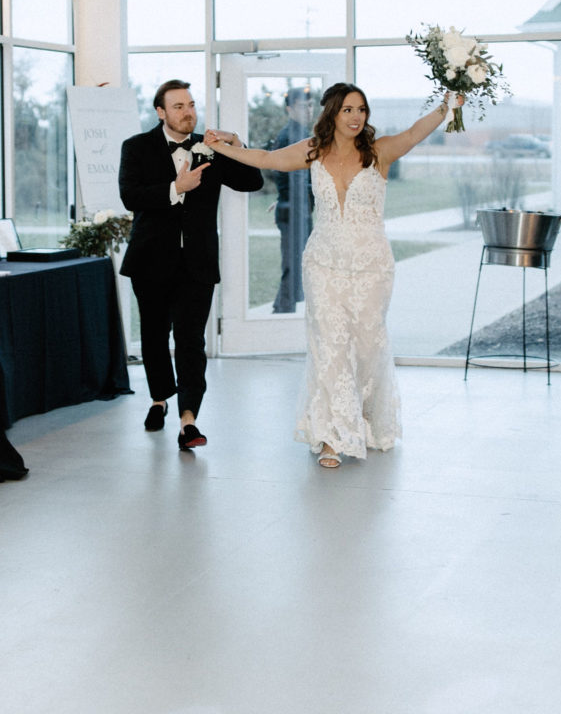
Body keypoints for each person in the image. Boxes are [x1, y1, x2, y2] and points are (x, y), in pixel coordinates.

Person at [205, 82, 462, 468]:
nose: (357, 116)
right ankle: (330, 435)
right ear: (332, 114)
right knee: (330, 346)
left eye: (361, 109)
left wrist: (446, 107)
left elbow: (413, 133)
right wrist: (221, 147)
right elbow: (267, 158)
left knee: (366, 345)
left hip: (371, 265)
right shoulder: (314, 151)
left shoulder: (380, 152)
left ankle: (367, 422)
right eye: (348, 110)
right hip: (323, 262)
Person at [119, 79, 263, 447]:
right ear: (161, 112)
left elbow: (252, 181)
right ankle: (158, 399)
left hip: (197, 263)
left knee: (190, 341)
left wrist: (234, 145)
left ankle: (188, 420)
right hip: (150, 261)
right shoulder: (136, 147)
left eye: (191, 105)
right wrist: (175, 189)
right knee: (154, 336)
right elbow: (130, 195)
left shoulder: (209, 149)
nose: (188, 113)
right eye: (179, 106)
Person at [270, 87, 315, 313]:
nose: (308, 110)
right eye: (302, 106)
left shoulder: (301, 133)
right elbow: (287, 175)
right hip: (294, 211)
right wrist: (285, 197)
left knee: (300, 265)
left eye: (310, 105)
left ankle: (284, 310)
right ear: (289, 109)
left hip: (297, 208)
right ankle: (282, 313)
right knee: (293, 265)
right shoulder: (290, 136)